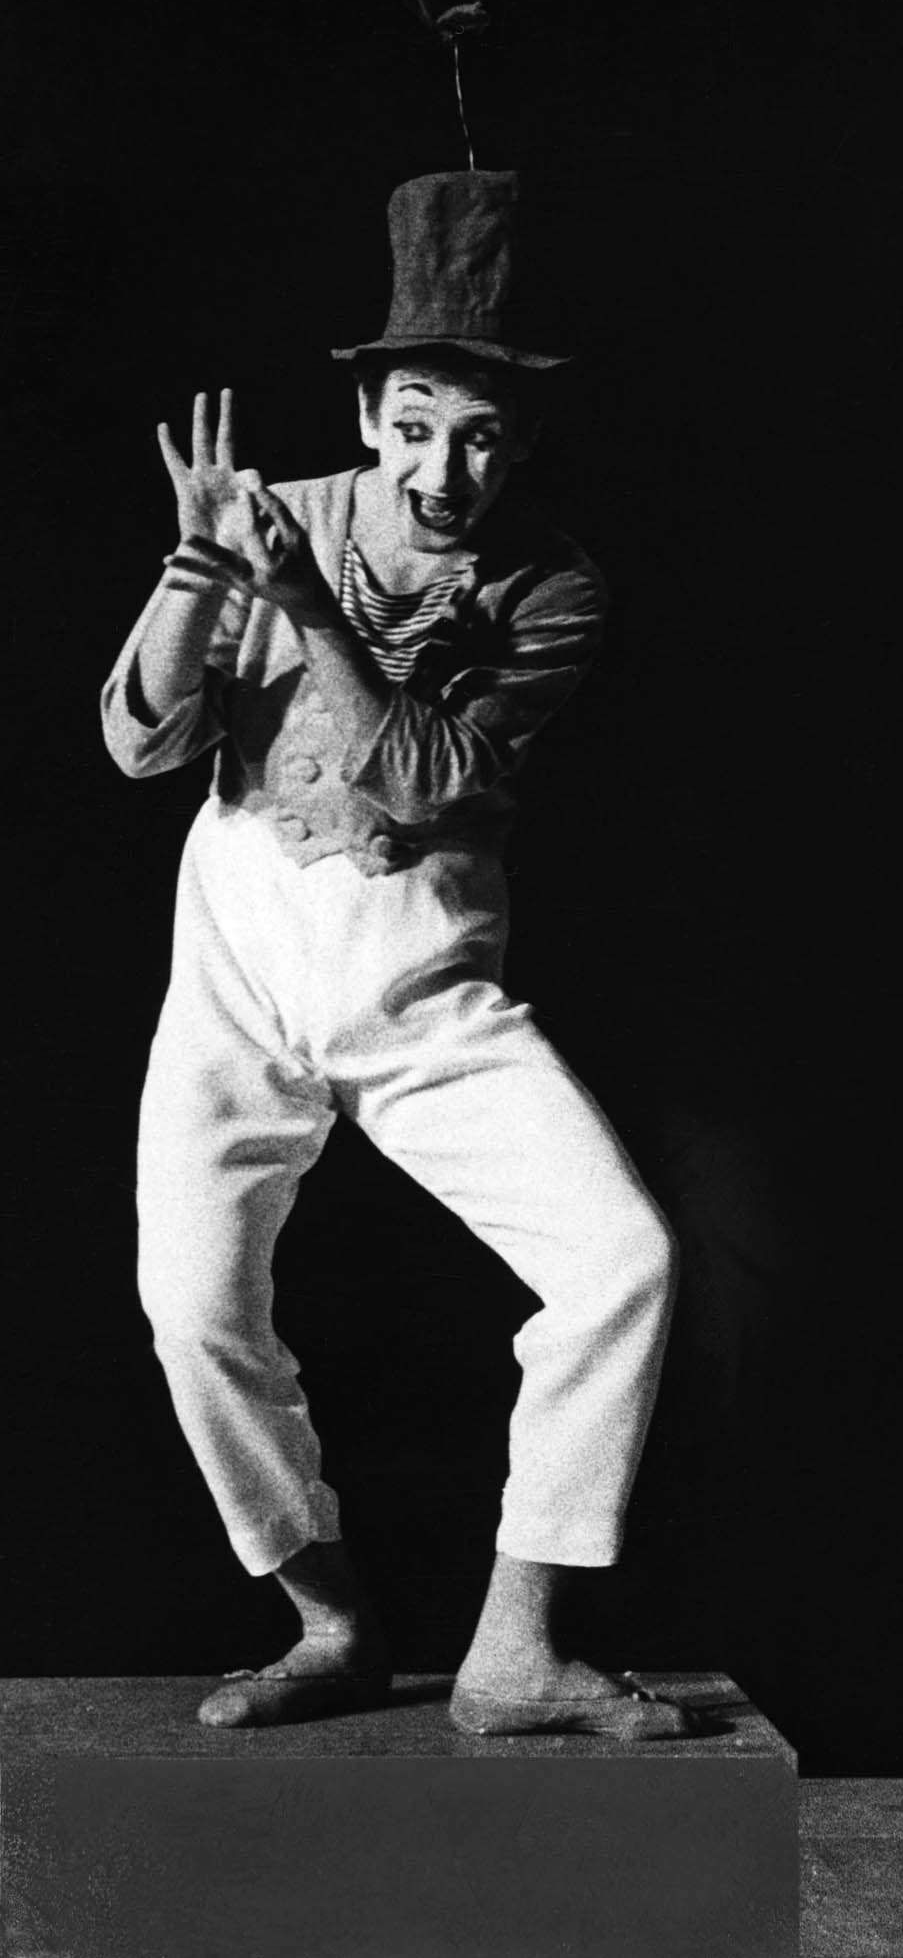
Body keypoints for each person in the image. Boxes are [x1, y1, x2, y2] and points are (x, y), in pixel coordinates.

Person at [102, 169, 688, 1737]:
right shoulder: (274, 515)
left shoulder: (553, 586)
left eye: (481, 435)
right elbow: (141, 745)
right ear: (371, 415)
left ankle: (513, 1652)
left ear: (524, 440)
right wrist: (199, 572)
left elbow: (426, 783)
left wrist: (306, 606)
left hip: (419, 982)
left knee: (619, 1263)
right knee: (193, 1312)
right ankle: (328, 1620)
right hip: (236, 980)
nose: (443, 469)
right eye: (416, 425)